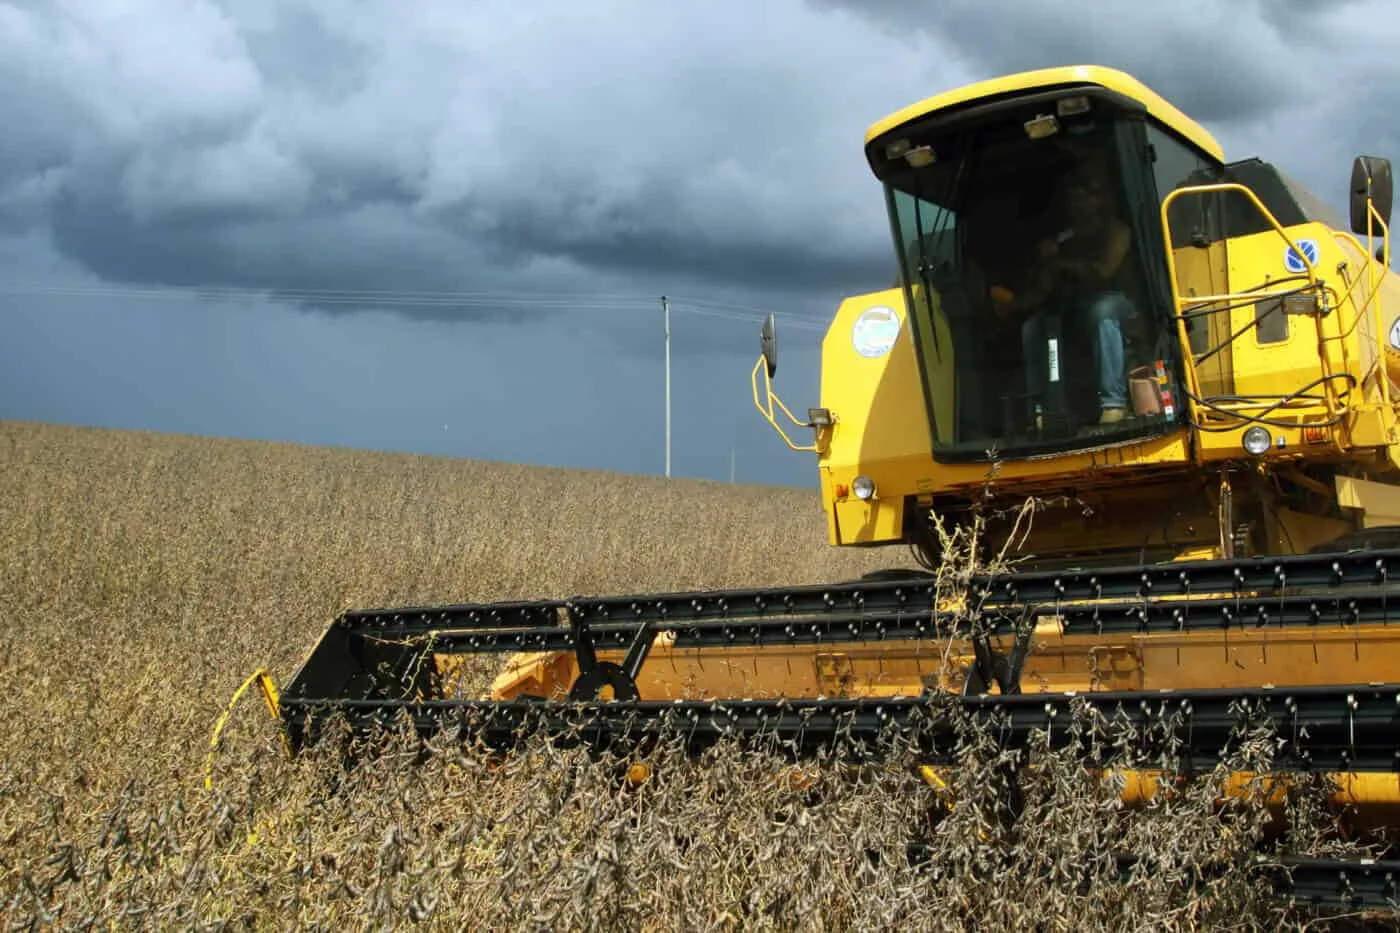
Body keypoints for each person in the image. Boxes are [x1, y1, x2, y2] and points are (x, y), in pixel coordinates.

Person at [990, 165, 1136, 426]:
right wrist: (1012, 307)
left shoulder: (1117, 231)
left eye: (1083, 197)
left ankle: (1114, 403)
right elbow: (1043, 290)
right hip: (1077, 308)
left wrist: (1061, 263)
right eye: (1072, 198)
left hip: (1122, 304)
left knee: (1101, 311)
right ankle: (1042, 409)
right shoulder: (1065, 239)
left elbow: (1104, 270)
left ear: (1099, 199)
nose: (1077, 205)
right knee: (1034, 327)